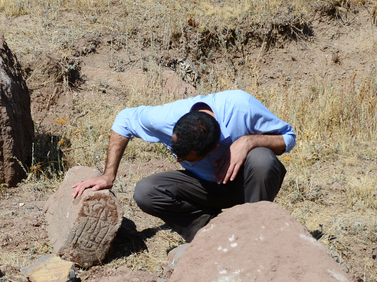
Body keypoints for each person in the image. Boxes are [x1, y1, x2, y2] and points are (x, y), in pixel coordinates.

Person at [71, 89, 296, 243]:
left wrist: (249, 141)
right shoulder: (166, 118)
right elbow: (123, 120)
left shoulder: (240, 106)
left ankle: (255, 234)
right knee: (146, 191)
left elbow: (288, 137)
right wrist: (108, 175)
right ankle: (213, 234)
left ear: (213, 147)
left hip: (247, 187)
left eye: (186, 157)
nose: (177, 160)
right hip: (207, 189)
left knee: (262, 159)